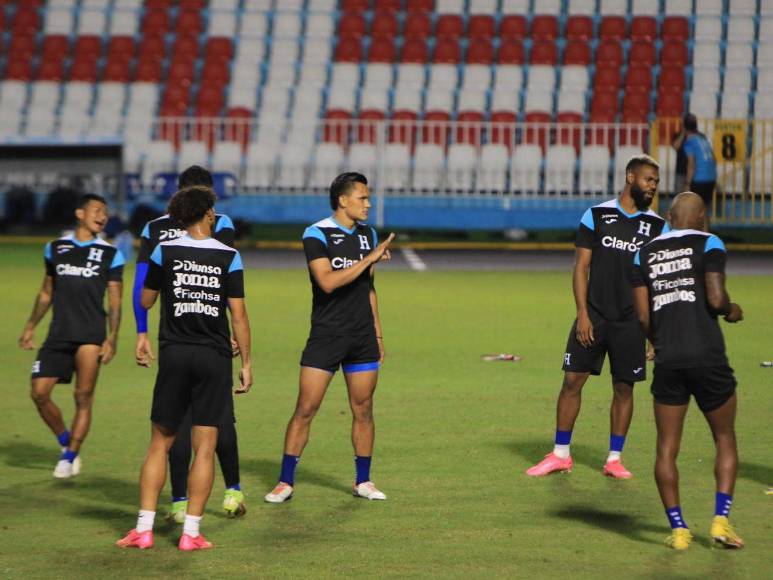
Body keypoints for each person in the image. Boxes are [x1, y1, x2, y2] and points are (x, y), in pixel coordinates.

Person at [117, 186, 252, 551]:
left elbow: (146, 299)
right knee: (205, 447)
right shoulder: (229, 255)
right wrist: (248, 363)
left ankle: (143, 530)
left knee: (159, 443)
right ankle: (191, 534)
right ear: (208, 213)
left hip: (175, 353)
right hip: (214, 357)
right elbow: (237, 314)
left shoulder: (166, 249)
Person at [526, 155, 669, 479]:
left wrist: (653, 330)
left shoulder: (659, 226)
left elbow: (657, 281)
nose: (653, 187)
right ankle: (560, 454)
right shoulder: (597, 215)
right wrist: (582, 314)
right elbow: (581, 268)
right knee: (572, 381)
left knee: (624, 388)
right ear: (630, 177)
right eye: (649, 180)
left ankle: (614, 459)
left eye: (656, 182)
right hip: (595, 315)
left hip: (632, 321)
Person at [264, 172, 394, 503]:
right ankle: (285, 481)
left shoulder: (368, 235)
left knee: (364, 409)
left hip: (362, 336)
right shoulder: (316, 233)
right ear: (343, 200)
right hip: (326, 335)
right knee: (306, 408)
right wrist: (370, 258)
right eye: (362, 197)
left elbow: (369, 288)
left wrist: (378, 332)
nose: (368, 203)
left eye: (368, 197)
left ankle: (363, 481)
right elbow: (327, 282)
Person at [631, 191, 744, 551]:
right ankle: (720, 522)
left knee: (666, 448)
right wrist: (731, 309)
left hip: (668, 359)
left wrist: (659, 341)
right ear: (701, 218)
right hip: (708, 356)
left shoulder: (643, 252)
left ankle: (679, 530)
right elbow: (715, 297)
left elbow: (643, 316)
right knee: (724, 438)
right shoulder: (709, 242)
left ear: (669, 216)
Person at [19, 194, 124, 479]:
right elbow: (46, 292)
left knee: (83, 396)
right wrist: (30, 326)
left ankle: (70, 456)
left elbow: (115, 301)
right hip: (58, 333)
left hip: (91, 334)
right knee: (39, 393)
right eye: (97, 210)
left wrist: (112, 337)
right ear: (80, 213)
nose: (102, 216)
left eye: (106, 212)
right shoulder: (55, 248)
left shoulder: (111, 253)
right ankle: (65, 440)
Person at [681, 113, 718, 212]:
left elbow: (691, 164)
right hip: (711, 177)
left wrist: (687, 183)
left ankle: (695, 228)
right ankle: (705, 228)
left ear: (684, 128)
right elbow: (714, 159)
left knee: (694, 211)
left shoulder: (689, 142)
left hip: (699, 179)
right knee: (704, 209)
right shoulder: (703, 140)